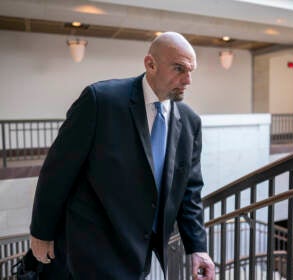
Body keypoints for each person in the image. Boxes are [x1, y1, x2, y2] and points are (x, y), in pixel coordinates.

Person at [29, 31, 215, 279]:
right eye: (179, 69)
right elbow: (58, 171)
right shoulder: (101, 101)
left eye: (191, 71)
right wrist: (42, 232)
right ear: (150, 64)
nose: (188, 80)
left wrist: (198, 248)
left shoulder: (190, 122)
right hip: (93, 249)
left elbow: (190, 191)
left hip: (141, 254)